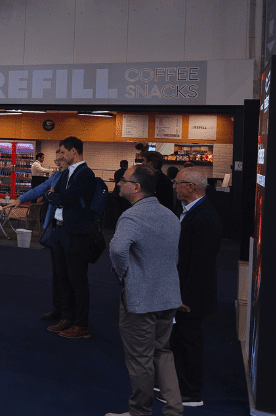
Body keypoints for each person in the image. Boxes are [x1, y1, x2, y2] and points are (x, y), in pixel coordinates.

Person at [107, 165, 183, 416]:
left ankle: (139, 412)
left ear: (136, 188)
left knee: (140, 360)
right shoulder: (170, 215)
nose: (119, 183)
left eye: (123, 180)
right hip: (169, 296)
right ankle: (174, 409)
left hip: (141, 299)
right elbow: (174, 256)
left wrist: (125, 274)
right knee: (162, 352)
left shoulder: (132, 216)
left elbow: (117, 250)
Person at [168, 167, 222, 407]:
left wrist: (185, 298)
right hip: (184, 291)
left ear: (190, 187)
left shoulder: (204, 218)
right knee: (180, 339)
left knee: (189, 341)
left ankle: (191, 393)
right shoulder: (191, 212)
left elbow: (201, 264)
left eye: (177, 183)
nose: (174, 186)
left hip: (192, 296)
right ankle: (181, 384)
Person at [42, 136, 96, 339]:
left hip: (77, 234)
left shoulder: (85, 174)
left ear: (74, 151)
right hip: (61, 231)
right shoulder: (66, 173)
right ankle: (66, 317)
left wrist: (54, 195)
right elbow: (55, 196)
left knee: (77, 280)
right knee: (62, 277)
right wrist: (54, 195)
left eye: (63, 152)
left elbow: (63, 197)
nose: (60, 157)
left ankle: (81, 324)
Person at [3, 153, 67, 320]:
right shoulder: (57, 176)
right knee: (57, 272)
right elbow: (41, 189)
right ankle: (58, 309)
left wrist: (51, 195)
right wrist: (20, 199)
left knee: (69, 275)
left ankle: (70, 316)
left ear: (71, 155)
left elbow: (56, 196)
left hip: (69, 231)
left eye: (59, 158)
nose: (57, 162)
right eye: (56, 160)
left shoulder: (77, 177)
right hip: (55, 228)